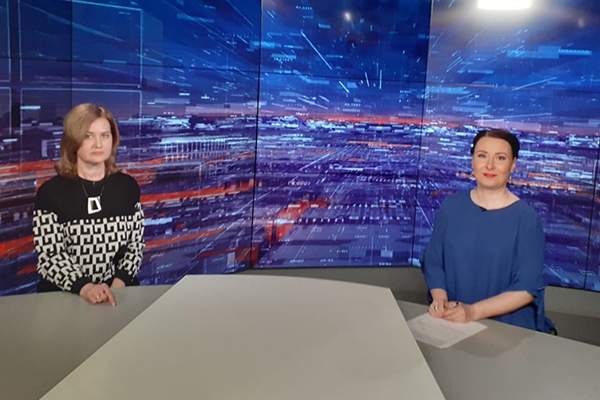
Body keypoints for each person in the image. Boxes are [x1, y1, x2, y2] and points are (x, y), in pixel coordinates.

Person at [422, 129, 555, 333]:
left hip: (506, 331)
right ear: (472, 160)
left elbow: (527, 287)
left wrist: (473, 311)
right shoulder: (451, 205)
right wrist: (440, 299)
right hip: (451, 322)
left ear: (513, 164)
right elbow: (433, 261)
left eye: (500, 158)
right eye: (482, 155)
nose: (489, 165)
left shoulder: (527, 219)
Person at [32, 103, 145, 306]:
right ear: (73, 141)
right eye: (88, 136)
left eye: (105, 135)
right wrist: (86, 288)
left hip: (118, 295)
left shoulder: (127, 187)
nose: (98, 144)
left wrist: (116, 287)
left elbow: (135, 247)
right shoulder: (50, 193)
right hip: (65, 298)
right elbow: (51, 257)